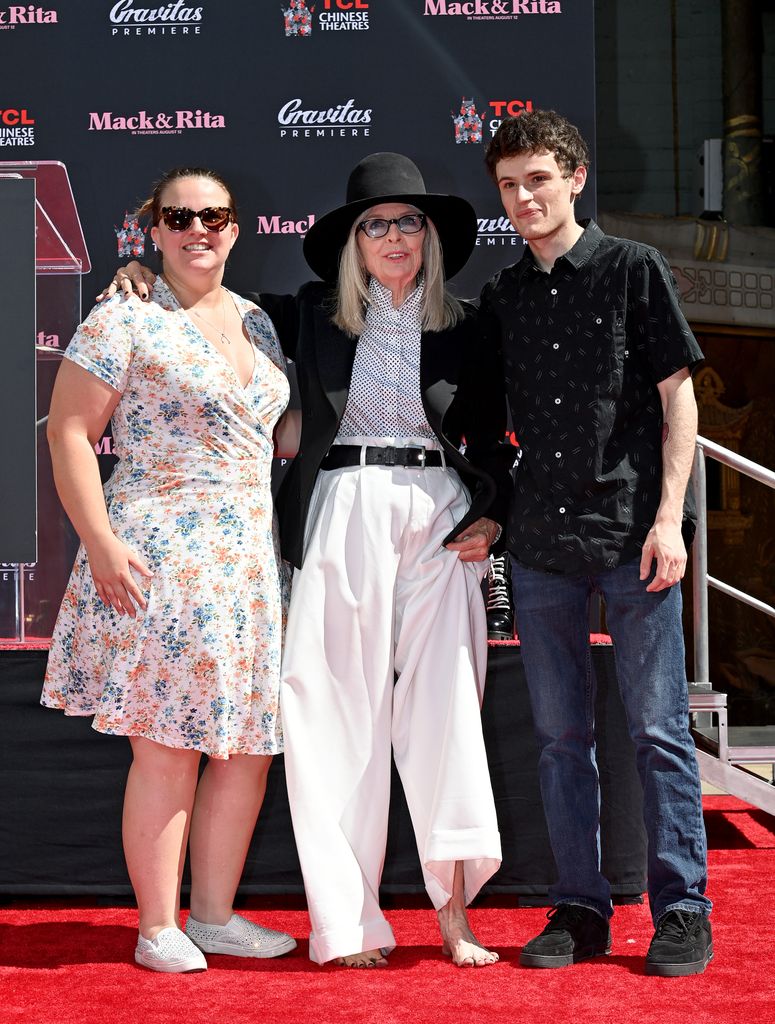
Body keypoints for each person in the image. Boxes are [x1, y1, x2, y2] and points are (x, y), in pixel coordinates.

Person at [106, 152, 511, 969]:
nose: (392, 237)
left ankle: (456, 916)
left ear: (429, 236)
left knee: (448, 715)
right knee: (330, 716)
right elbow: (200, 297)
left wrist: (494, 515)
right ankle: (347, 923)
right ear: (350, 243)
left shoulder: (468, 325)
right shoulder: (301, 316)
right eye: (374, 225)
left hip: (439, 518)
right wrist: (135, 274)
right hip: (339, 510)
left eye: (408, 222)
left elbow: (497, 441)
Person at [42, 167, 297, 973]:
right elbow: (71, 433)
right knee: (167, 746)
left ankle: (215, 917)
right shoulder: (125, 315)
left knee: (247, 748)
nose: (198, 229)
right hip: (164, 559)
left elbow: (274, 435)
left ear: (235, 226)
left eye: (213, 215)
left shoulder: (257, 323)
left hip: (250, 564)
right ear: (152, 228)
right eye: (178, 216)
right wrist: (102, 541)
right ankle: (158, 927)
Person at [480, 110, 713, 976]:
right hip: (540, 542)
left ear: (573, 177)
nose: (523, 197)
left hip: (632, 536)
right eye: (508, 184)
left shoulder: (631, 270)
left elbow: (676, 400)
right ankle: (578, 909)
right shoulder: (503, 294)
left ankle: (682, 908)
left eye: (537, 178)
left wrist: (668, 518)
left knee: (656, 731)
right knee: (557, 739)